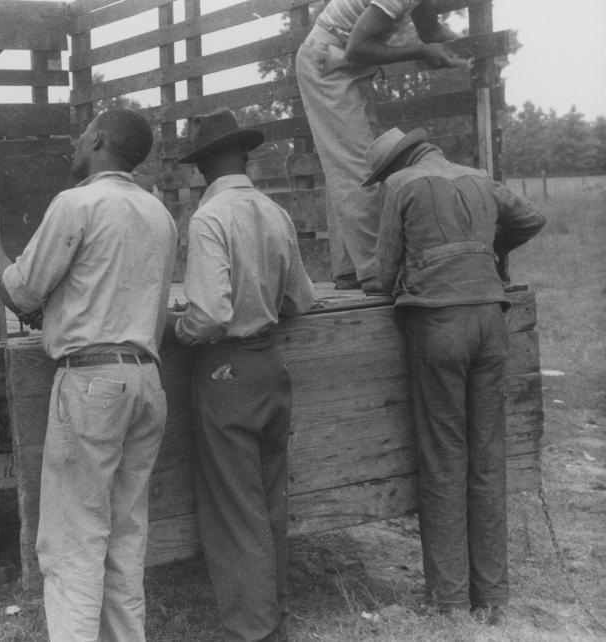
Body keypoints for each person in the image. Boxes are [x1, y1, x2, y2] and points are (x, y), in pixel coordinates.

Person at [0, 109, 177, 641]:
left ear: (100, 140)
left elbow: (20, 292)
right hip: (147, 380)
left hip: (92, 383)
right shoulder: (159, 214)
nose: (73, 145)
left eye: (81, 136)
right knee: (125, 543)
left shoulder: (76, 203)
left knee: (72, 545)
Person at [360, 127, 546, 624]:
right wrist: (482, 251)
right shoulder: (479, 178)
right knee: (487, 453)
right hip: (490, 320)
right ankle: (493, 596)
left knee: (444, 455)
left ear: (395, 164)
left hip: (438, 324)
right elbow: (531, 218)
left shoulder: (403, 186)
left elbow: (381, 276)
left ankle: (449, 601)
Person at [172, 108, 315, 642]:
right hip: (270, 366)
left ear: (202, 167)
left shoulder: (209, 219)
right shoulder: (275, 213)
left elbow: (208, 314)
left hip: (225, 371)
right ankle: (273, 619)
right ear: (246, 158)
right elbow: (302, 298)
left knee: (235, 509)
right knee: (269, 498)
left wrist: (179, 331)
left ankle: (250, 631)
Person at [295, 0, 468, 289]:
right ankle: (376, 272)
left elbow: (429, 29)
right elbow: (358, 48)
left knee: (347, 163)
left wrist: (465, 47)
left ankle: (350, 269)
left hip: (346, 62)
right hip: (330, 59)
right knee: (359, 166)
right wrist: (421, 52)